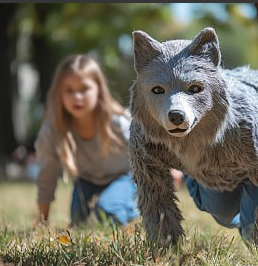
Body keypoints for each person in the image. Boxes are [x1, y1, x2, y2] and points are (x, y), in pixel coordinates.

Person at [35, 54, 182, 227]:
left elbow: (149, 143)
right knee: (77, 221)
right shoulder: (53, 131)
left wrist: (170, 169)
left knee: (109, 213)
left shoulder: (116, 122)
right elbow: (46, 176)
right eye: (69, 90)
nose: (77, 97)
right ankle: (107, 206)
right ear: (59, 93)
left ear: (98, 90)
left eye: (84, 89)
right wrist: (42, 220)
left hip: (125, 175)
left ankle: (137, 205)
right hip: (87, 179)